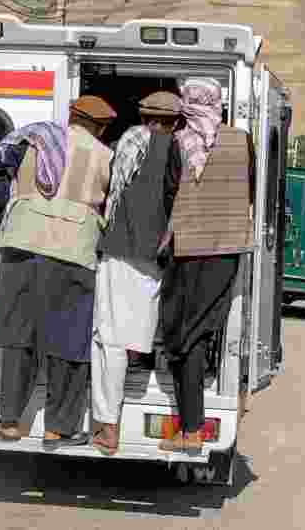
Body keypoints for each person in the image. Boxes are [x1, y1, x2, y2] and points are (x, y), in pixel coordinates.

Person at [0, 95, 116, 449]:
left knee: (19, 337)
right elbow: (114, 203)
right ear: (101, 127)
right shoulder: (106, 156)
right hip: (74, 251)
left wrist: (9, 198)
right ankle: (58, 429)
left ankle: (9, 423)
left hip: (22, 245)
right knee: (69, 342)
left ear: (71, 116)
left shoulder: (35, 140)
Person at [158, 77, 254, 455]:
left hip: (189, 249)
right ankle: (190, 425)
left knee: (184, 336)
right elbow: (249, 187)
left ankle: (192, 428)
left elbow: (168, 195)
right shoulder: (242, 139)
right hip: (228, 249)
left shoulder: (178, 141)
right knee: (198, 332)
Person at [91, 91, 183, 455]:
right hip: (158, 256)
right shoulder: (182, 149)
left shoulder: (127, 141)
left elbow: (109, 192)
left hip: (120, 248)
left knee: (109, 339)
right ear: (177, 121)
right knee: (144, 332)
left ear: (144, 116)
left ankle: (108, 427)